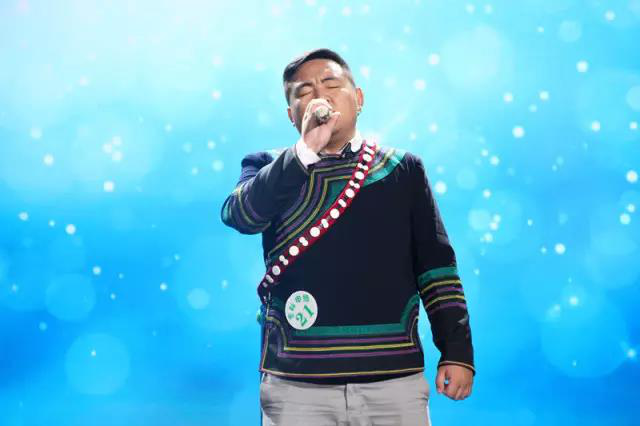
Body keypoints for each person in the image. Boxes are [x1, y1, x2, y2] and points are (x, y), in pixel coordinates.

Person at [220, 48, 475, 426]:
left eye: (331, 84)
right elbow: (240, 216)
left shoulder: (402, 168)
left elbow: (436, 267)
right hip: (296, 381)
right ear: (291, 114)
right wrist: (305, 151)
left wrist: (457, 351)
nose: (319, 96)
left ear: (358, 98)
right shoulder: (266, 165)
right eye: (304, 91)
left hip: (394, 377)